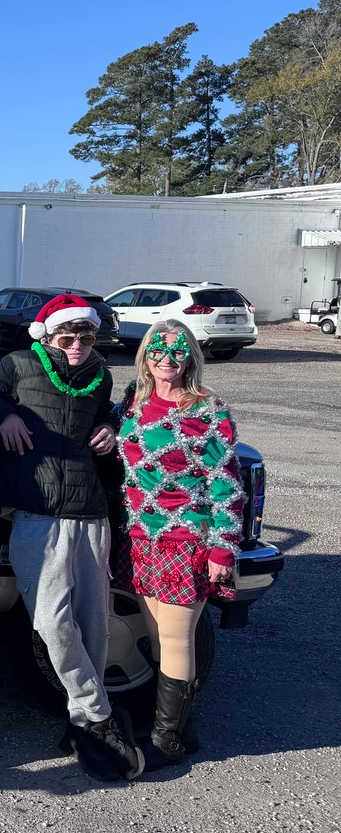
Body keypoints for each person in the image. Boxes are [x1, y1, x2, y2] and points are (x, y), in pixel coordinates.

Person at [0, 293, 144, 782]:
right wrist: (4, 415)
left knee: (94, 624)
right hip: (35, 510)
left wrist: (109, 425)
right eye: (67, 337)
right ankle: (99, 714)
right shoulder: (19, 363)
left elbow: (110, 415)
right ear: (49, 336)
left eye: (85, 336)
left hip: (88, 509)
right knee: (51, 621)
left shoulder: (100, 374)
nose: (77, 345)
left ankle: (80, 721)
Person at [116, 321, 245, 769]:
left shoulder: (207, 409)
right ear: (145, 355)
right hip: (144, 538)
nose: (166, 360)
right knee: (154, 633)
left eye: (176, 352)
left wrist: (222, 548)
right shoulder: (134, 400)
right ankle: (181, 730)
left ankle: (166, 741)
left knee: (175, 638)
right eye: (157, 351)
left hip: (186, 538)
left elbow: (226, 485)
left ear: (190, 356)